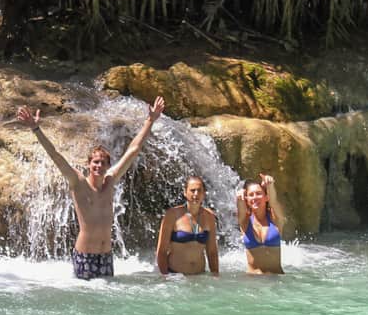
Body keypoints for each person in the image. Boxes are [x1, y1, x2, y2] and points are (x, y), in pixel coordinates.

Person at [16, 96, 166, 280]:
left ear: (107, 165)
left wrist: (150, 120)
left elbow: (133, 150)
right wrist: (35, 128)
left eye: (103, 163)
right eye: (95, 162)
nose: (99, 166)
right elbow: (55, 155)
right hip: (85, 256)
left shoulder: (110, 181)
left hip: (106, 257)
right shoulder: (78, 183)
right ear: (89, 164)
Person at [156, 176, 220, 276]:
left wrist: (215, 276)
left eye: (199, 191)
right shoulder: (172, 215)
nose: (196, 194)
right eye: (192, 190)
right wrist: (165, 278)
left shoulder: (209, 216)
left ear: (203, 194)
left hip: (200, 277)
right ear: (185, 192)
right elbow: (161, 252)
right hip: (176, 277)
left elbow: (212, 252)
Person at [236, 174, 286, 274]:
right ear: (247, 199)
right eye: (251, 195)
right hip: (253, 282)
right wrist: (239, 197)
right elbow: (240, 207)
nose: (254, 197)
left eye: (258, 193)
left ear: (266, 197)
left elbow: (274, 202)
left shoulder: (275, 219)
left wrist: (270, 185)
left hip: (276, 281)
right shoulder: (245, 221)